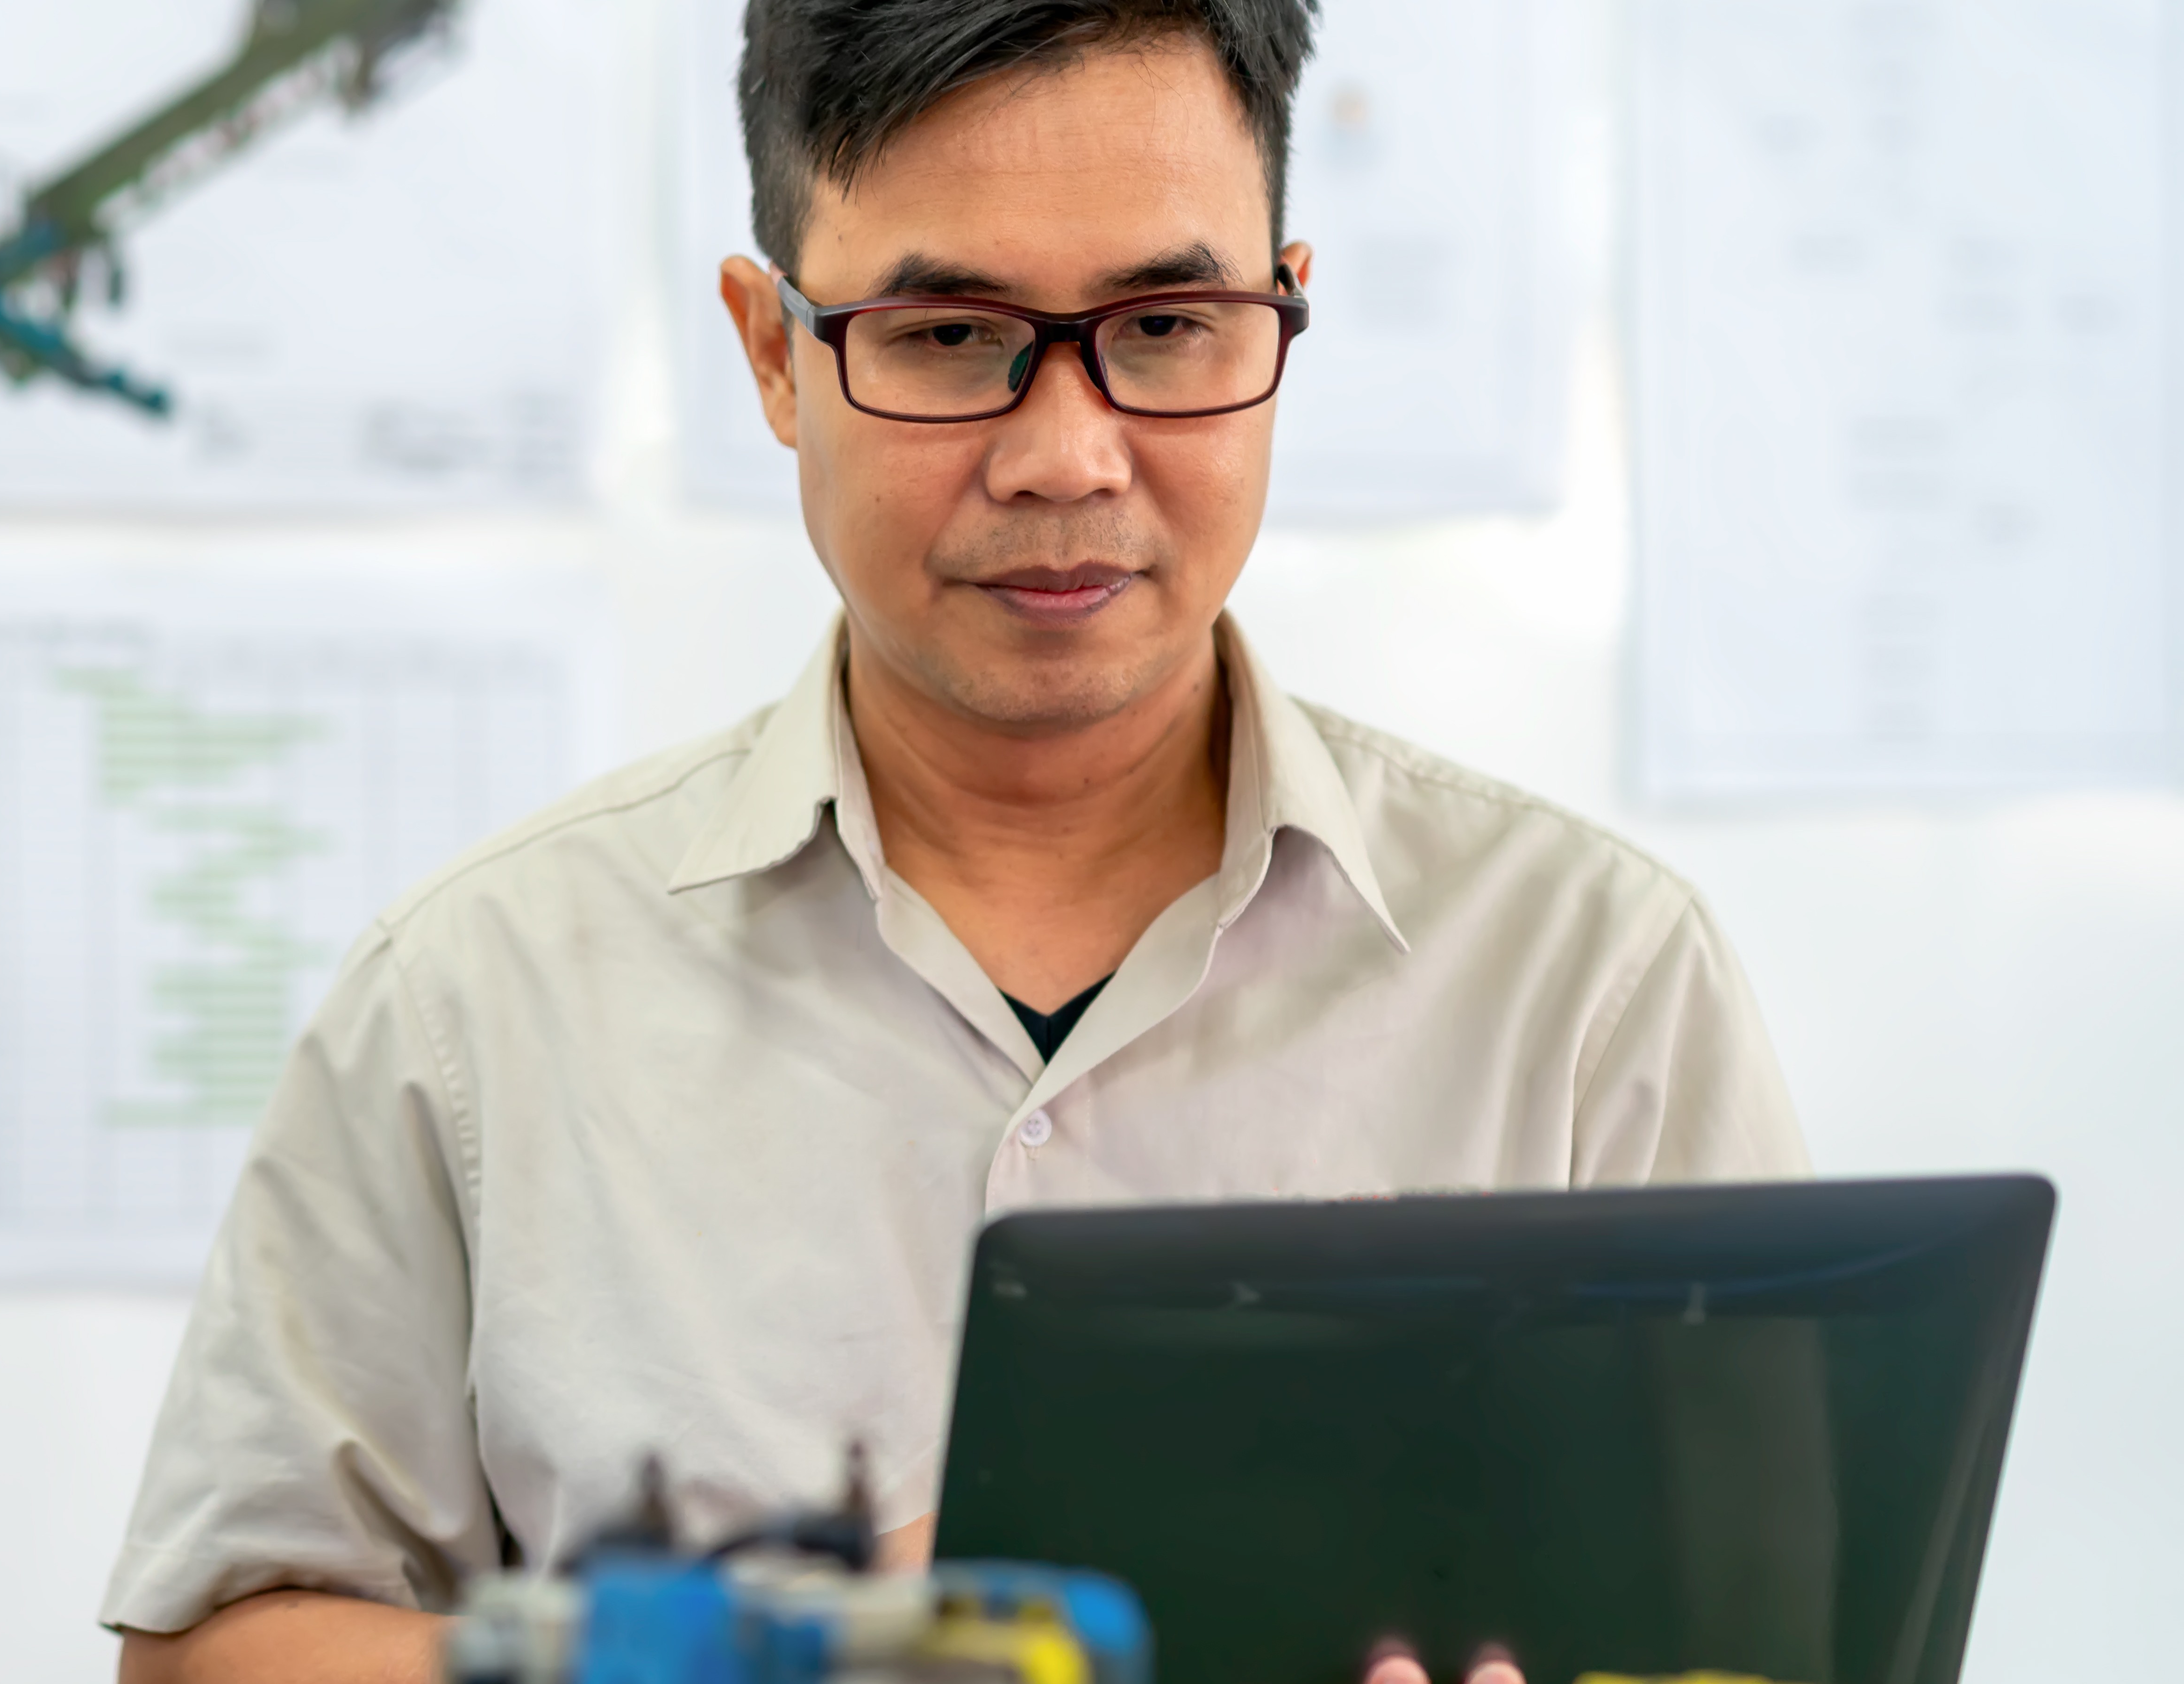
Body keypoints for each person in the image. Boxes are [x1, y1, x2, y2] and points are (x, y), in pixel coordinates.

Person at [105, 3, 1807, 1681]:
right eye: (944, 337)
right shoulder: (478, 993)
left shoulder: (1590, 980)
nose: (1066, 457)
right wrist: (753, 1663)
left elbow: (1794, 1630)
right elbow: (217, 1648)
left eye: (1166, 324)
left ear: (1282, 311)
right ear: (775, 352)